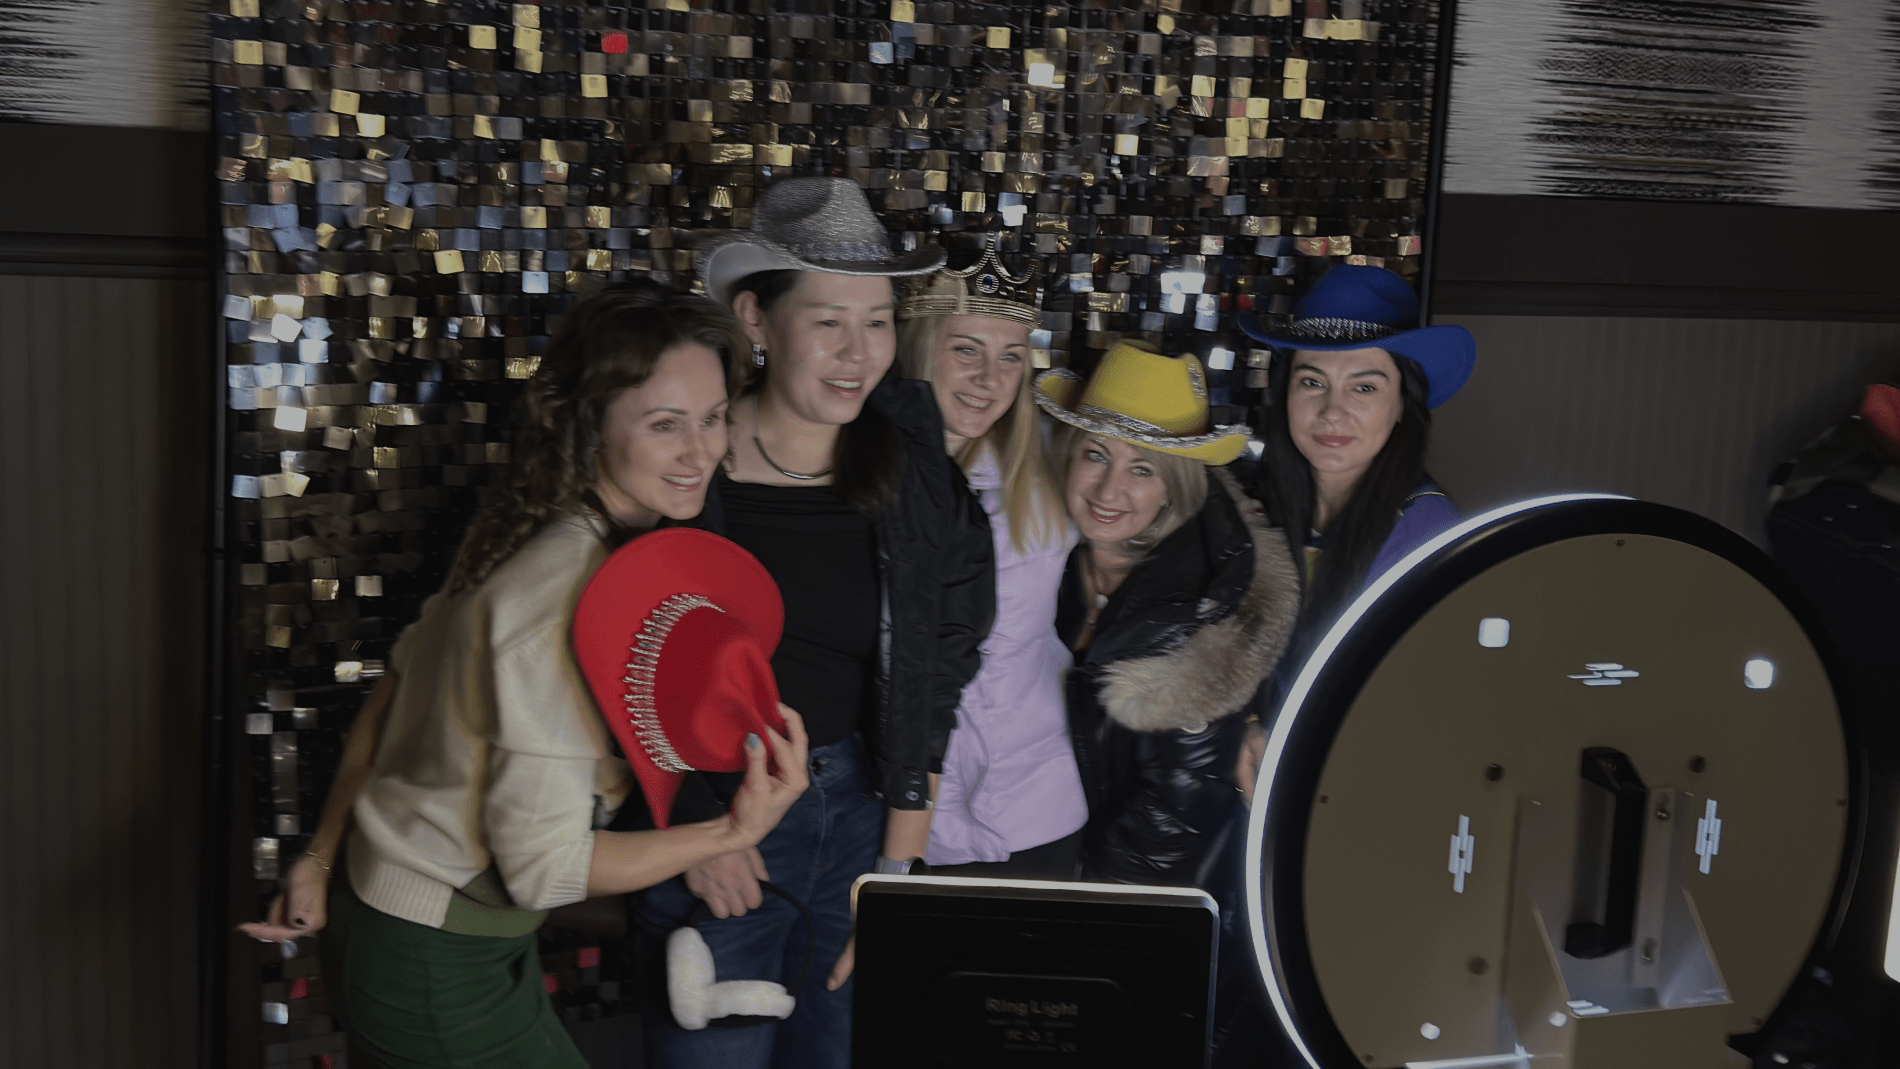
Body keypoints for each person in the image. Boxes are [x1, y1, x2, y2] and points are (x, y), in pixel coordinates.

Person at [239, 280, 813, 1069]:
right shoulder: (556, 607)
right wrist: (731, 833)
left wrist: (321, 853)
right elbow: (543, 872)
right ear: (591, 424)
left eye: (713, 417)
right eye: (664, 424)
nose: (700, 451)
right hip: (431, 956)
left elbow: (397, 690)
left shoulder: (532, 525)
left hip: (411, 919)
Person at [632, 176, 994, 1068]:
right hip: (721, 825)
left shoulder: (914, 470)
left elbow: (936, 671)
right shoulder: (681, 463)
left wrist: (896, 874)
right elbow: (614, 658)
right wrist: (693, 830)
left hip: (860, 822)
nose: (857, 352)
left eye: (878, 322)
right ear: (756, 318)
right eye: (828, 320)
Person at [1033, 340, 1301, 887]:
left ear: (1172, 490)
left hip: (1112, 901)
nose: (1109, 489)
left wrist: (1060, 903)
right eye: (1096, 454)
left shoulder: (1197, 619)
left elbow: (1163, 837)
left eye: (1142, 469)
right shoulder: (1041, 560)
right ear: (1067, 455)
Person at [895, 233, 1088, 880]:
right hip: (900, 812)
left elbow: (1174, 501)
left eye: (1010, 357)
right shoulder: (860, 472)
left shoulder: (1054, 460)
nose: (989, 378)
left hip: (1038, 806)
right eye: (965, 350)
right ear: (920, 345)